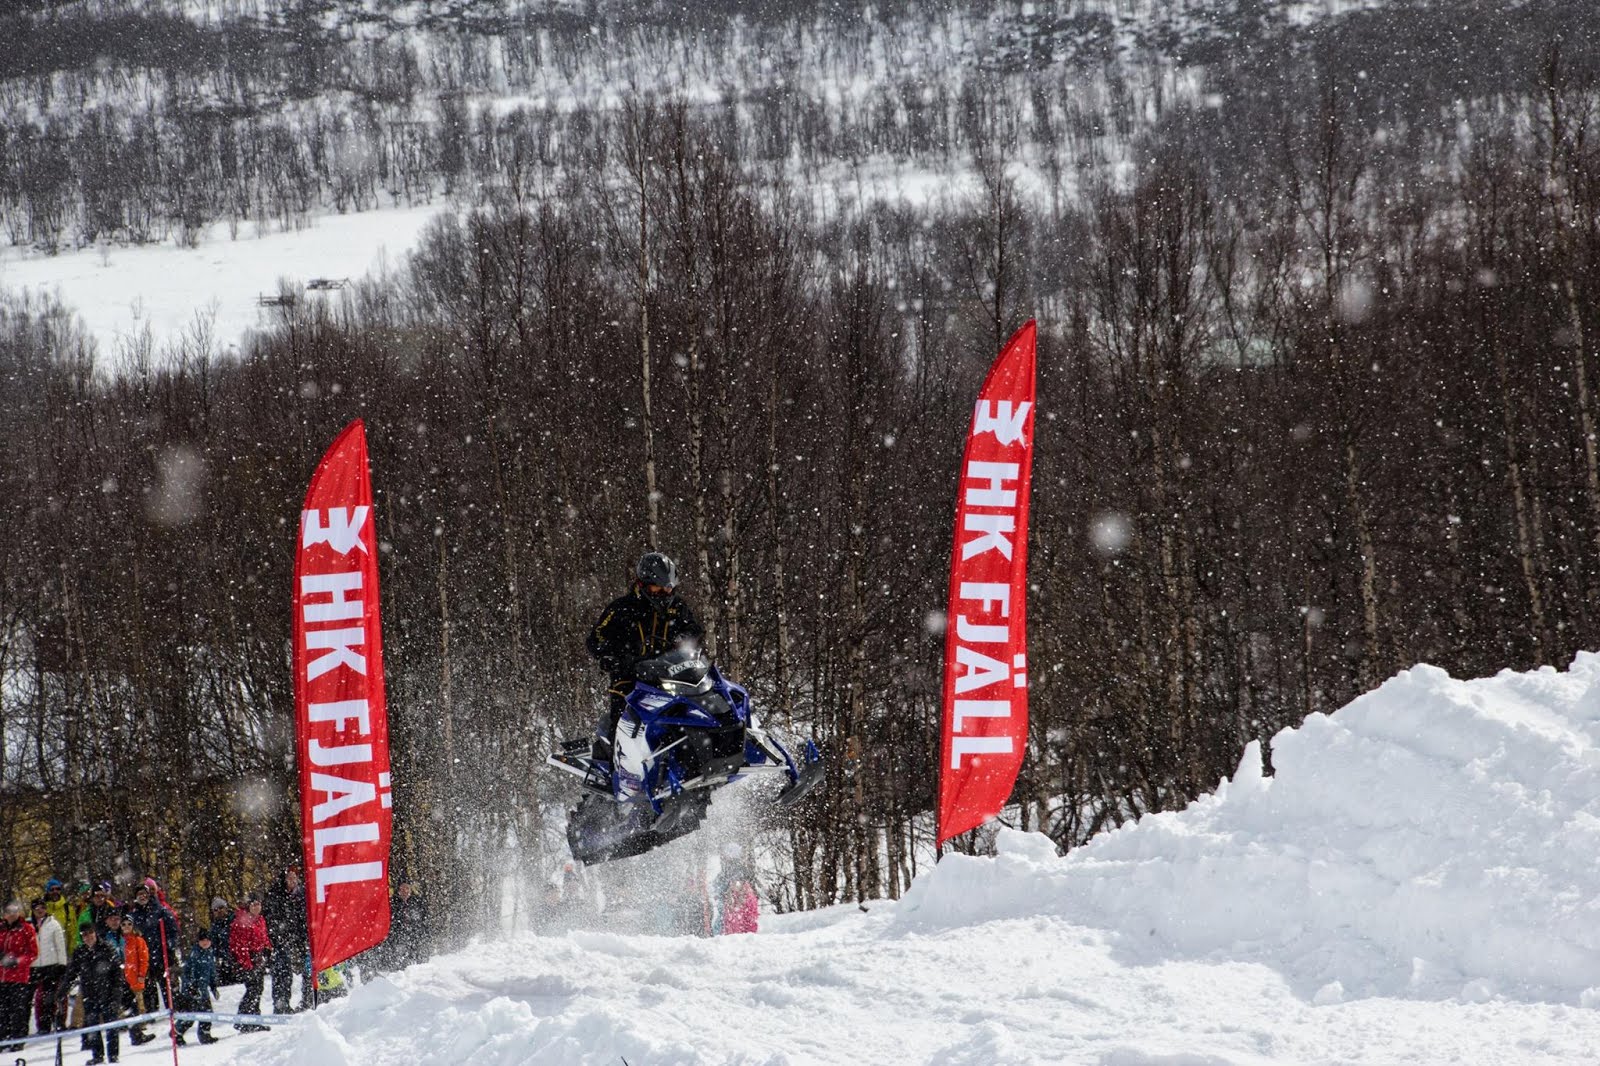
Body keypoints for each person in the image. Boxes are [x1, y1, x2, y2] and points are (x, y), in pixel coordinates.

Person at [585, 552, 705, 762]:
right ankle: (616, 769)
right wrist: (610, 655)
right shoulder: (622, 608)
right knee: (623, 719)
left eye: (669, 587)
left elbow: (694, 630)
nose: (665, 592)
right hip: (631, 676)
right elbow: (596, 637)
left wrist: (686, 640)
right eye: (659, 587)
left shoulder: (677, 607)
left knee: (700, 708)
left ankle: (707, 754)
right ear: (644, 584)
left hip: (671, 674)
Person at [59, 923, 125, 1065]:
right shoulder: (80, 952)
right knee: (92, 1026)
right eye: (84, 935)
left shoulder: (107, 948)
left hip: (108, 993)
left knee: (111, 1026)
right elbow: (71, 973)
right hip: (90, 994)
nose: (88, 937)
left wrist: (116, 994)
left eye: (90, 933)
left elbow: (117, 974)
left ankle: (113, 1055)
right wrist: (62, 991)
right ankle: (97, 1055)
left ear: (95, 933)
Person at [126, 880, 179, 1009]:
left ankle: (173, 1008)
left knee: (167, 986)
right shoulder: (133, 916)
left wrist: (170, 945)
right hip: (145, 958)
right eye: (139, 894)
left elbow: (173, 930)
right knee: (149, 988)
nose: (142, 896)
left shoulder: (160, 911)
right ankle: (152, 1011)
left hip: (162, 955)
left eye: (144, 893)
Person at [262, 866, 307, 1013]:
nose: (292, 881)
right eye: (289, 878)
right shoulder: (276, 894)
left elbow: (303, 915)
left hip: (298, 935)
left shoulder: (300, 893)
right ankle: (280, 1003)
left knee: (306, 968)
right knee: (282, 971)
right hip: (280, 939)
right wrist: (278, 935)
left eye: (295, 878)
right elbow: (271, 917)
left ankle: (306, 999)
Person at [0, 900, 39, 1052]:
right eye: (9, 911)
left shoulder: (26, 929)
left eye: (14, 911)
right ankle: (3, 1036)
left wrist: (17, 961)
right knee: (3, 1009)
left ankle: (18, 1038)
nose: (11, 914)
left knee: (18, 1008)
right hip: (2, 975)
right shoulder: (2, 929)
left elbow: (33, 953)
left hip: (19, 976)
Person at [229, 895, 272, 1031]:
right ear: (248, 906)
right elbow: (239, 945)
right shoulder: (242, 921)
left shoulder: (260, 919)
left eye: (258, 904)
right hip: (248, 959)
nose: (256, 907)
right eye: (253, 905)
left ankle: (253, 1020)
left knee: (257, 989)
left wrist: (268, 948)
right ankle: (244, 1020)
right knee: (253, 989)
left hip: (258, 957)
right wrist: (246, 963)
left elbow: (263, 937)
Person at [28, 897, 67, 1033]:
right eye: (37, 909)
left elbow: (60, 946)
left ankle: (57, 1022)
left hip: (51, 964)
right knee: (36, 998)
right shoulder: (29, 925)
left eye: (43, 908)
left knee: (51, 996)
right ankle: (42, 1025)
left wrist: (62, 964)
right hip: (34, 966)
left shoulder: (53, 924)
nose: (40, 911)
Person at [174, 930, 219, 1045]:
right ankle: (177, 1032)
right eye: (202, 940)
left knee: (208, 1012)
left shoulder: (209, 953)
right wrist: (191, 986)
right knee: (190, 1014)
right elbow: (188, 973)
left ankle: (204, 1033)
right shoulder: (194, 954)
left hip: (203, 990)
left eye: (207, 940)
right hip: (192, 990)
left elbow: (212, 972)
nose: (205, 943)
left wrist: (214, 986)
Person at [118, 911, 155, 1046]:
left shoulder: (138, 940)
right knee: (129, 1004)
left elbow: (144, 959)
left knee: (139, 1002)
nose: (126, 926)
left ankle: (140, 1027)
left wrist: (141, 975)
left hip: (136, 977)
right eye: (124, 924)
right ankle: (133, 1028)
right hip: (126, 978)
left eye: (129, 924)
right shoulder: (123, 941)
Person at [388, 875, 428, 970]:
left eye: (407, 888)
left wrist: (424, 935)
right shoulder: (393, 902)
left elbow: (424, 920)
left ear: (410, 889)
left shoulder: (418, 901)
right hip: (398, 938)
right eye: (402, 888)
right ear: (398, 890)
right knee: (400, 966)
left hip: (416, 937)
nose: (404, 891)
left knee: (418, 965)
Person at [208, 897, 238, 985]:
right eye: (216, 909)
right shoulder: (214, 927)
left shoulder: (235, 920)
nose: (219, 911)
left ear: (226, 908)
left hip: (238, 956)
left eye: (221, 908)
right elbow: (213, 944)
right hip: (225, 960)